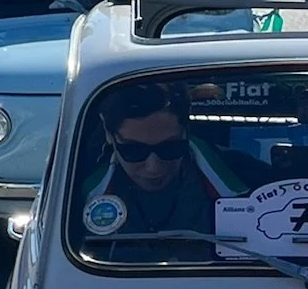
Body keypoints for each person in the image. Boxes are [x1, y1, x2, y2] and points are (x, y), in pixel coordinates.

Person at [81, 81, 266, 240]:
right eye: (133, 150)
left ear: (186, 130)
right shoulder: (73, 189)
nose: (153, 167)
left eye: (170, 148)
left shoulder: (252, 179)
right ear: (108, 134)